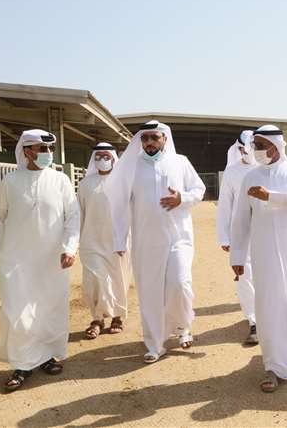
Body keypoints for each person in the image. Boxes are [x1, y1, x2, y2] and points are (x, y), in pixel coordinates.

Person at [0, 129, 80, 392]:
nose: (48, 153)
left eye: (50, 149)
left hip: (52, 262)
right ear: (27, 151)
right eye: (42, 149)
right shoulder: (10, 182)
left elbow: (73, 217)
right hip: (17, 261)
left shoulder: (61, 180)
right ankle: (22, 365)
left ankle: (47, 357)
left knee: (49, 311)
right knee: (18, 314)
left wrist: (69, 248)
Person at [109, 120, 206, 364]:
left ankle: (183, 326)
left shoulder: (180, 162)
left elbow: (199, 189)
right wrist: (119, 239)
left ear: (164, 139)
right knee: (150, 294)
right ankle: (155, 343)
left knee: (179, 284)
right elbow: (119, 205)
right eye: (145, 138)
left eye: (154, 137)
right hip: (146, 242)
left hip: (178, 238)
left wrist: (182, 198)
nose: (150, 142)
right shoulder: (131, 167)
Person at [229, 124, 287, 392]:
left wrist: (269, 196)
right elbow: (241, 219)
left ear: (276, 146)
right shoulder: (250, 177)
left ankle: (280, 359)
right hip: (262, 254)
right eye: (255, 145)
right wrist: (237, 256)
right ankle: (274, 366)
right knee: (267, 308)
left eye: (262, 146)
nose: (257, 150)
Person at [78, 142, 133, 339]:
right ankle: (97, 319)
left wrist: (125, 238)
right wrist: (76, 241)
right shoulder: (85, 184)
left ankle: (117, 317)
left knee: (118, 279)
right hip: (91, 241)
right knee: (95, 280)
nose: (102, 160)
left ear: (113, 158)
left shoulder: (123, 182)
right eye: (98, 157)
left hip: (117, 242)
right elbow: (79, 213)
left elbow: (129, 213)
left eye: (106, 156)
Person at [217, 130, 259, 345]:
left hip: (268, 231)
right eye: (244, 148)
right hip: (241, 233)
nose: (248, 152)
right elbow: (225, 205)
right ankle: (254, 321)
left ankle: (270, 317)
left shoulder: (269, 169)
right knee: (245, 276)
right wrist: (224, 237)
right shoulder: (232, 172)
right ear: (239, 149)